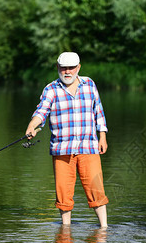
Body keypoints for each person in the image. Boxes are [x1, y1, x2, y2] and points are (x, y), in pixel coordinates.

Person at [25, 52, 109, 227]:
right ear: (58, 68)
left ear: (78, 68)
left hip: (89, 147)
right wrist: (32, 126)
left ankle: (104, 228)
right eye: (64, 68)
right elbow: (41, 111)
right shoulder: (51, 89)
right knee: (63, 192)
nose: (67, 72)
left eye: (71, 68)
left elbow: (98, 112)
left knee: (96, 189)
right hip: (62, 150)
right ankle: (65, 229)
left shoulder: (89, 84)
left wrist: (102, 136)